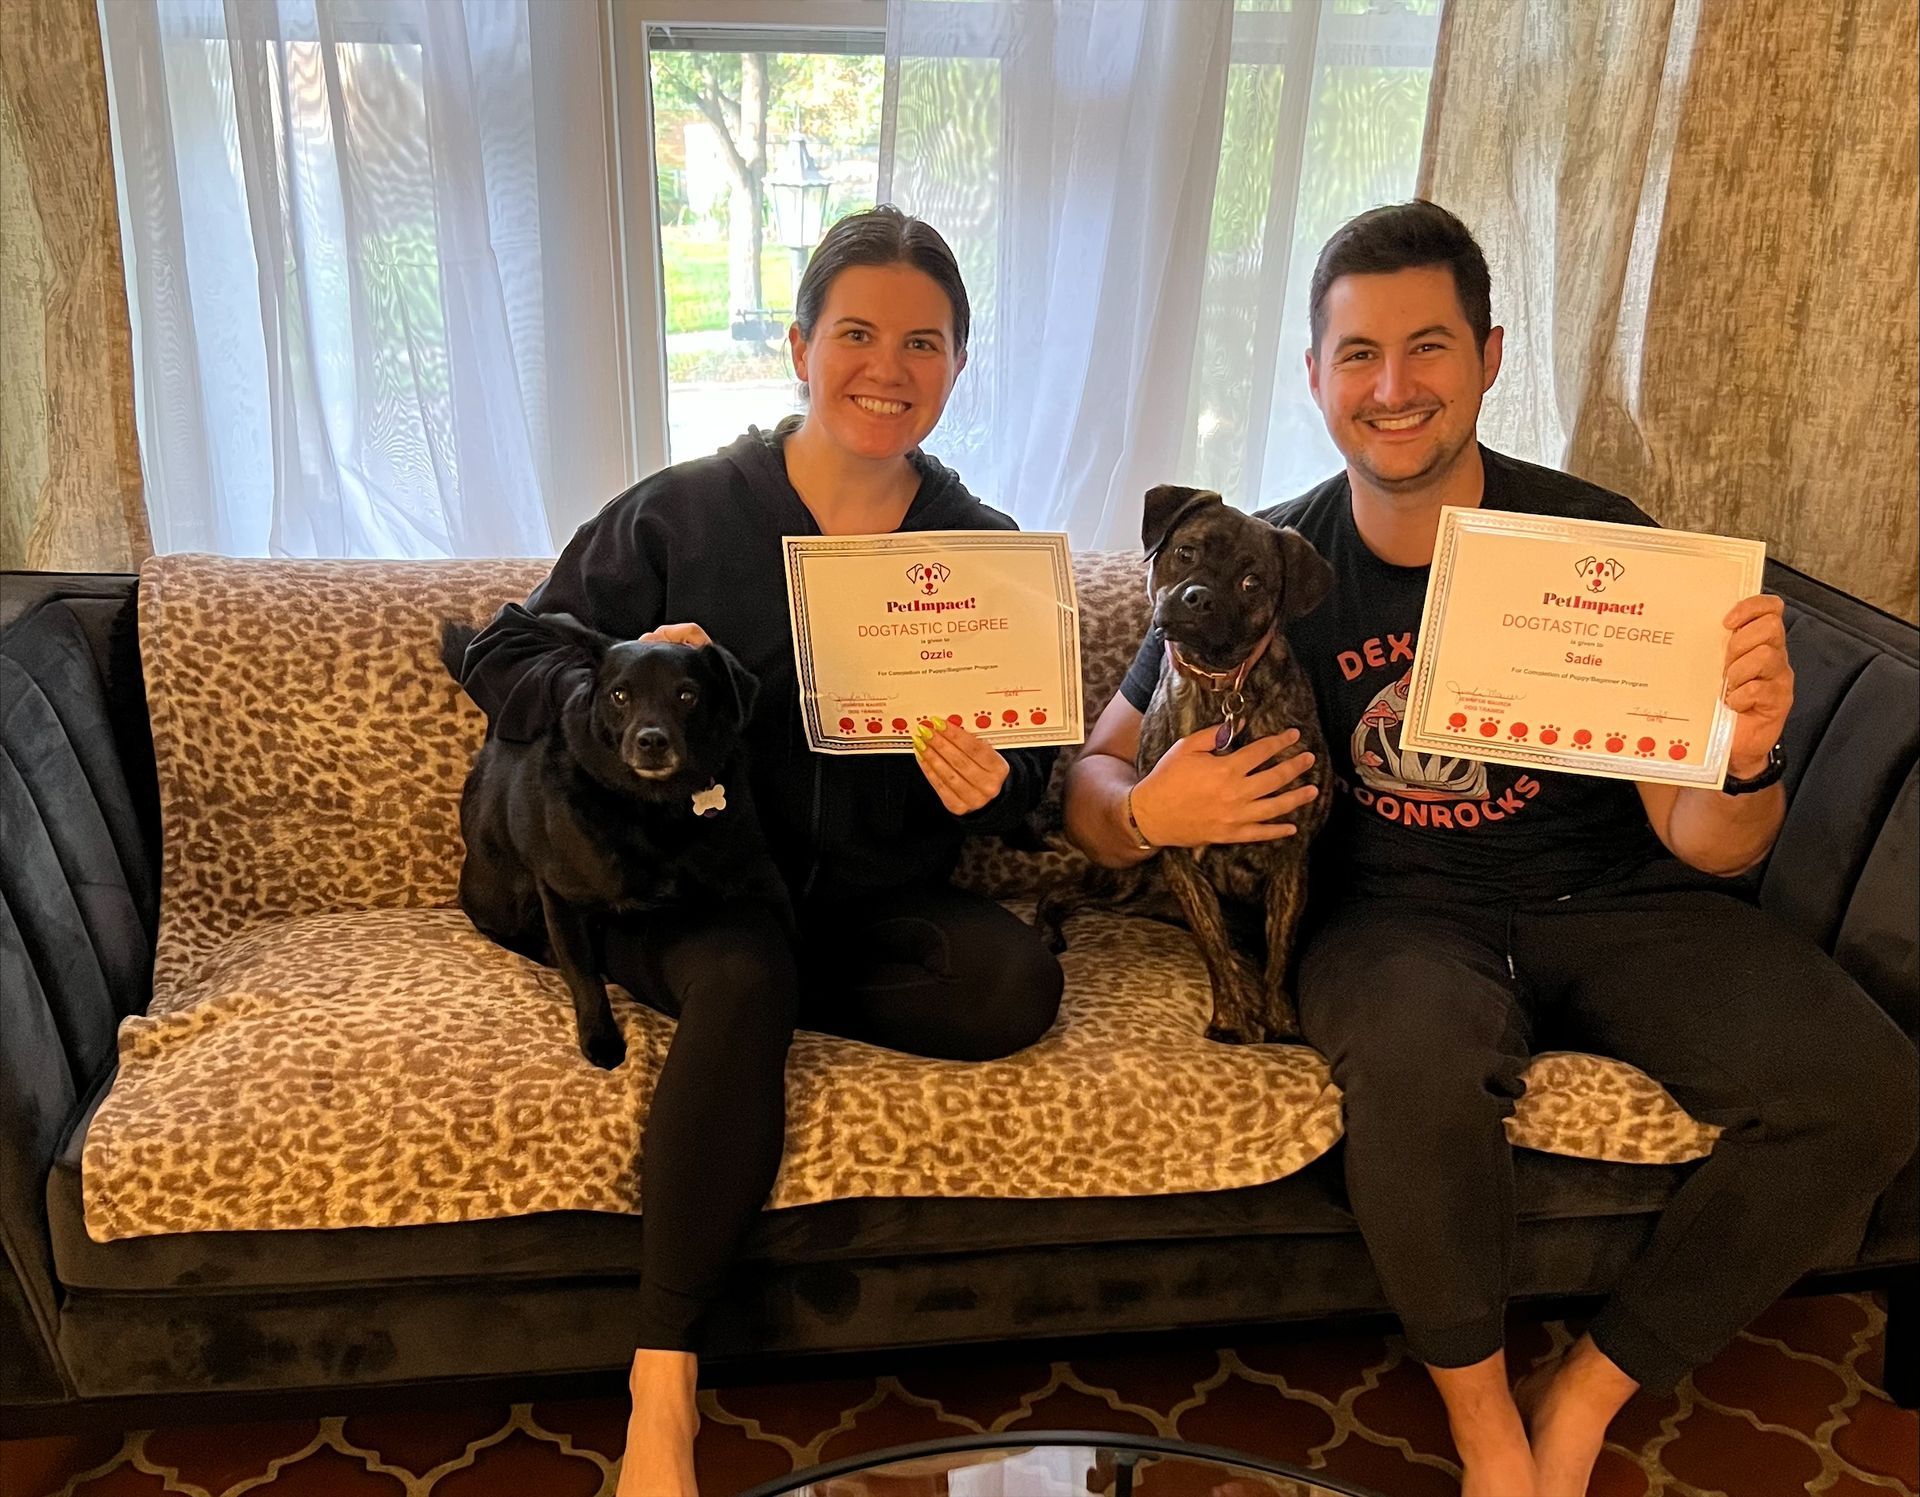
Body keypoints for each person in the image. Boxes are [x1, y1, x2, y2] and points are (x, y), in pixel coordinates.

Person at [1062, 199, 1918, 1497]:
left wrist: (1745, 749)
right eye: (1358, 354)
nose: (1393, 386)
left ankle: (1582, 1391)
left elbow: (1706, 839)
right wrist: (1142, 812)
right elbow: (1093, 767)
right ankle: (1485, 1424)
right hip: (1395, 915)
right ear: (1314, 376)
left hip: (1615, 894)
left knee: (1870, 1086)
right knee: (1412, 1071)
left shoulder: (1603, 544)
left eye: (1429, 347)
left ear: (1489, 357)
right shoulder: (1265, 555)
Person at [458, 206, 1064, 1497]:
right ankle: (664, 1389)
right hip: (698, 888)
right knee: (741, 974)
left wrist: (995, 783)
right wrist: (614, 691)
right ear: (799, 344)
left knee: (1014, 985)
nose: (886, 368)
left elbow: (1040, 792)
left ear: (958, 366)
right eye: (856, 332)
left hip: (862, 902)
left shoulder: (986, 554)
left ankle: (751, 994)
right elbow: (512, 651)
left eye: (923, 342)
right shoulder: (680, 510)